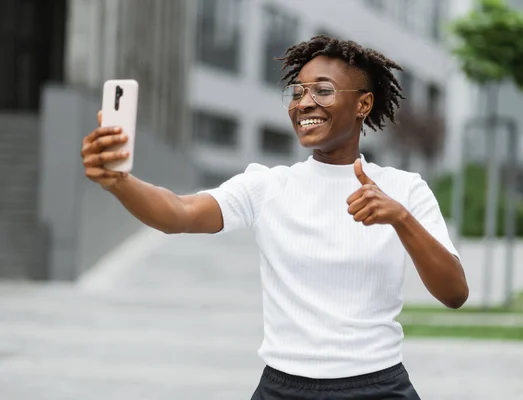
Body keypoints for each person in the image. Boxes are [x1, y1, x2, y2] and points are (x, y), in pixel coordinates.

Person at [81, 35, 469, 400]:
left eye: (322, 90)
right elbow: (177, 214)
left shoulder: (404, 189)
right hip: (283, 388)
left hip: (378, 386)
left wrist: (400, 219)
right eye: (297, 91)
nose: (304, 102)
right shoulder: (267, 187)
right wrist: (119, 181)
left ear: (363, 105)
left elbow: (454, 294)